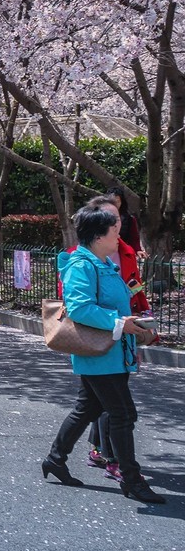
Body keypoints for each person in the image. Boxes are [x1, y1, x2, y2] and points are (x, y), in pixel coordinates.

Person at [42, 205, 163, 504]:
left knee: (88, 409)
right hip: (99, 356)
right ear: (98, 236)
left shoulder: (101, 263)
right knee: (122, 414)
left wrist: (135, 322)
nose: (118, 235)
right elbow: (81, 308)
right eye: (114, 231)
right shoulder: (82, 265)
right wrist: (120, 322)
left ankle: (55, 459)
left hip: (111, 353)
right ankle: (132, 481)